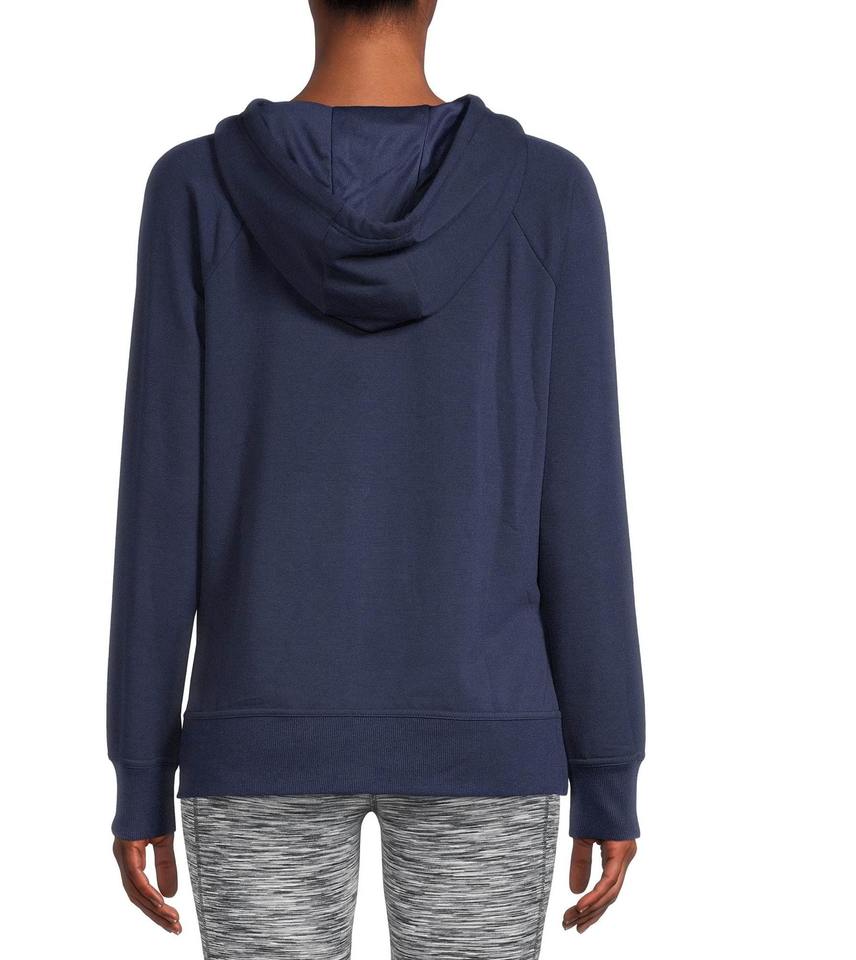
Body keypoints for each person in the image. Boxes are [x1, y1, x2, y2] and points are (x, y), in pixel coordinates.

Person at [106, 0, 646, 955]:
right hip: (486, 735)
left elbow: (160, 507)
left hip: (257, 737)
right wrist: (607, 765)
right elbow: (581, 505)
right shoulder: (548, 195)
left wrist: (142, 768)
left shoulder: (195, 191)